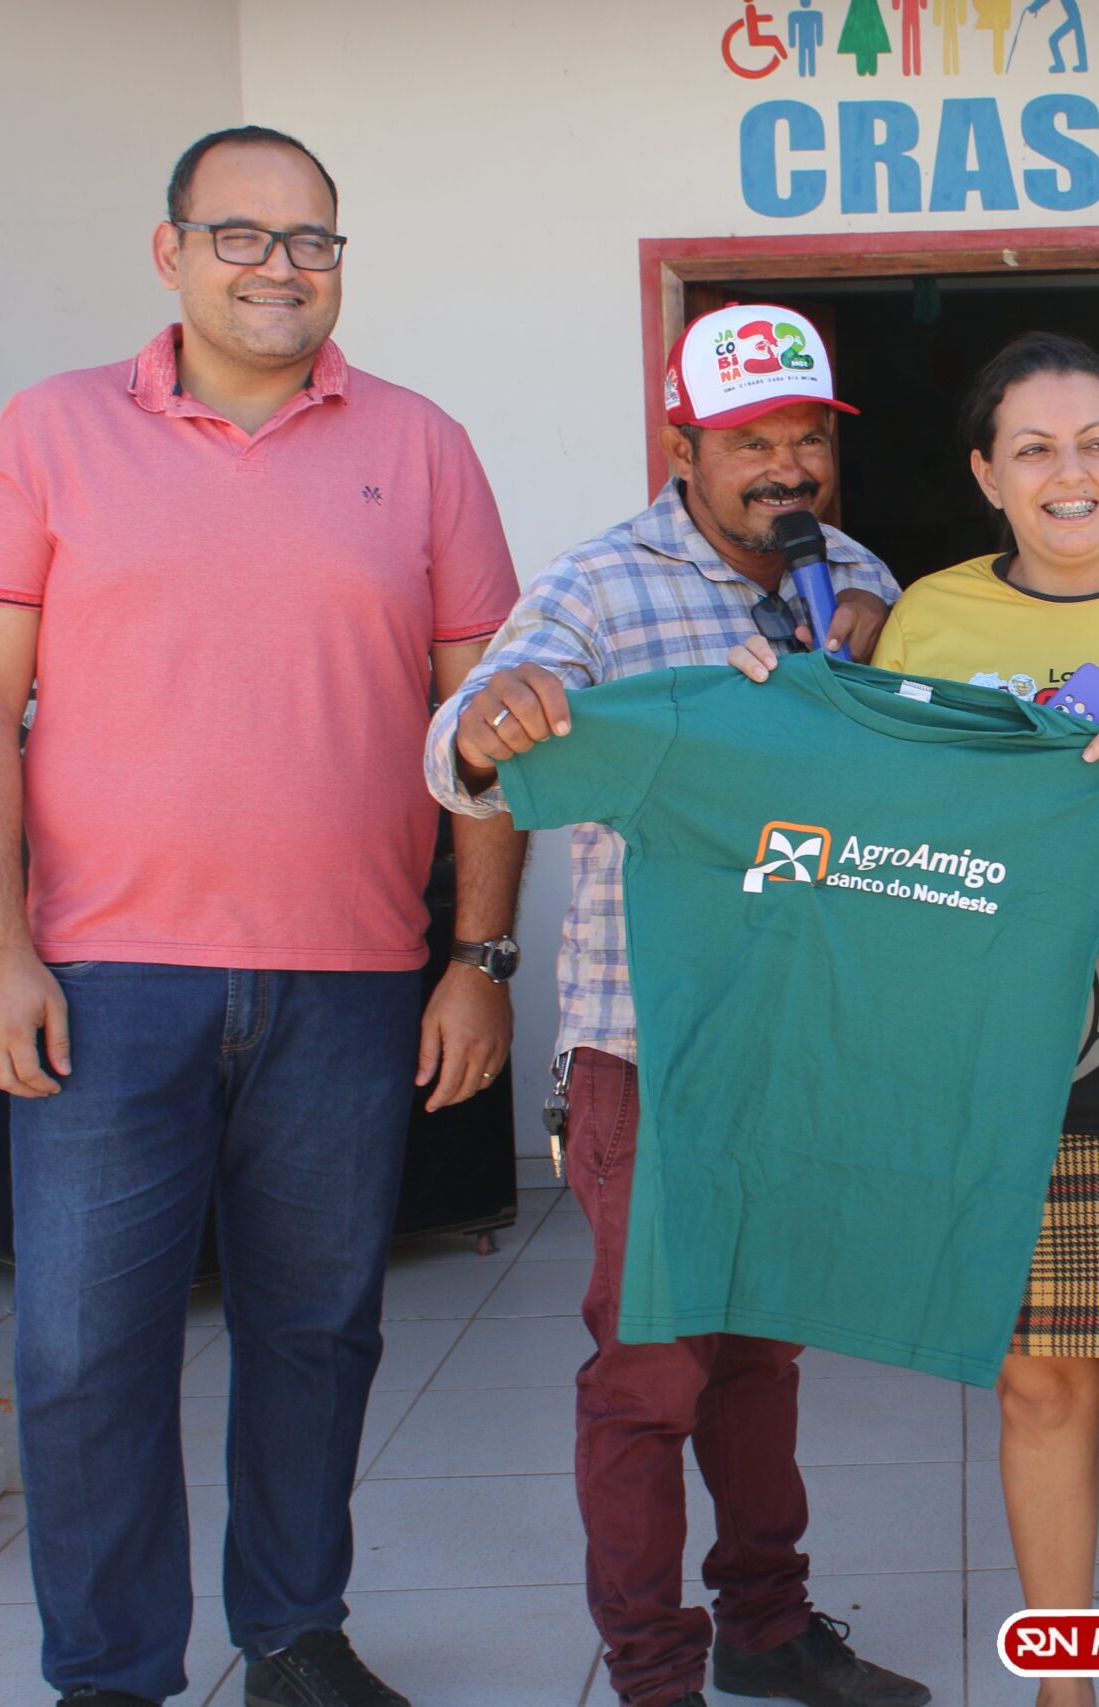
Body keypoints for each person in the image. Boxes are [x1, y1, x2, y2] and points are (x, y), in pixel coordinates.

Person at [0, 126, 521, 1707]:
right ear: (171, 251)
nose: (280, 265)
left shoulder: (423, 444)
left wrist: (477, 956)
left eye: (313, 237)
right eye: (241, 234)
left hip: (349, 975)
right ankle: (109, 1671)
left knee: (317, 1329)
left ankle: (292, 1633)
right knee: (79, 1345)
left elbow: (488, 723)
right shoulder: (54, 429)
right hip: (103, 977)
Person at [736, 330, 1099, 1707]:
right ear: (986, 473)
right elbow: (876, 841)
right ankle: (1067, 1690)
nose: (1070, 473)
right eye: (1034, 449)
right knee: (1038, 1389)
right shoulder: (936, 621)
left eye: (1097, 444)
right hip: (997, 1054)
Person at [426, 304, 925, 1707]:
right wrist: (496, 716)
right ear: (683, 448)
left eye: (807, 438)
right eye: (751, 441)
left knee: (762, 1357)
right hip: (647, 1046)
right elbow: (460, 751)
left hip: (800, 1043)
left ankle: (768, 1628)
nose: (787, 467)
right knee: (650, 1374)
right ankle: (654, 1675)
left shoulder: (855, 576)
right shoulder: (599, 585)